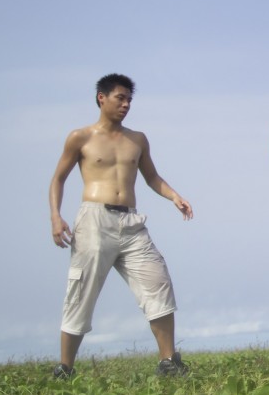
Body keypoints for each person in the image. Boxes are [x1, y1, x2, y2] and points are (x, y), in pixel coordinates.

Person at [49, 73, 193, 378]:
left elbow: (152, 177)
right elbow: (58, 179)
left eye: (129, 99)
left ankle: (168, 362)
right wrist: (55, 216)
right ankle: (65, 368)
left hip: (131, 222)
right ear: (102, 98)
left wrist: (174, 196)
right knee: (81, 293)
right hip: (93, 221)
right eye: (120, 98)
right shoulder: (80, 137)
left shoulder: (137, 139)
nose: (126, 104)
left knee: (158, 281)